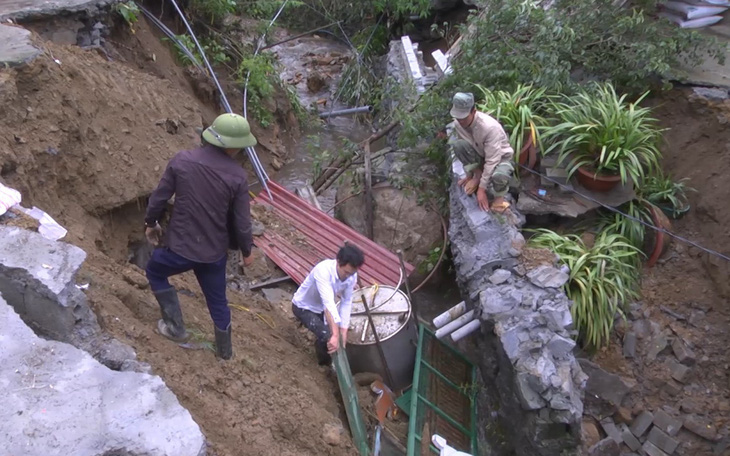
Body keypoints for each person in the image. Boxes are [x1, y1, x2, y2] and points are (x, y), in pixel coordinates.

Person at [143, 113, 257, 360]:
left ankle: (175, 328)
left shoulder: (182, 160)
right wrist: (247, 251)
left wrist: (151, 222)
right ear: (234, 147)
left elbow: (159, 197)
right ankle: (225, 352)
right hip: (213, 254)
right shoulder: (237, 177)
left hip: (180, 249)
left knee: (154, 271)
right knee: (218, 301)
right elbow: (242, 221)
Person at [292, 244, 365, 366]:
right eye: (346, 272)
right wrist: (336, 334)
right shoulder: (323, 271)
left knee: (332, 335)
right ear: (338, 262)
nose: (347, 276)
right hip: (303, 307)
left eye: (351, 274)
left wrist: (343, 331)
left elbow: (346, 302)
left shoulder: (352, 276)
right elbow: (329, 303)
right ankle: (323, 366)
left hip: (321, 308)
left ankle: (325, 357)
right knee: (328, 335)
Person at [449, 92, 515, 213]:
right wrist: (470, 176)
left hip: (499, 159)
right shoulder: (458, 123)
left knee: (499, 175)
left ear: (473, 112)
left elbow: (492, 161)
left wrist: (481, 189)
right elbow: (465, 145)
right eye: (458, 117)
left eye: (463, 117)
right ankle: (477, 175)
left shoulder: (489, 128)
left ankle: (499, 198)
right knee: (459, 145)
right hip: (481, 154)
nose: (460, 121)